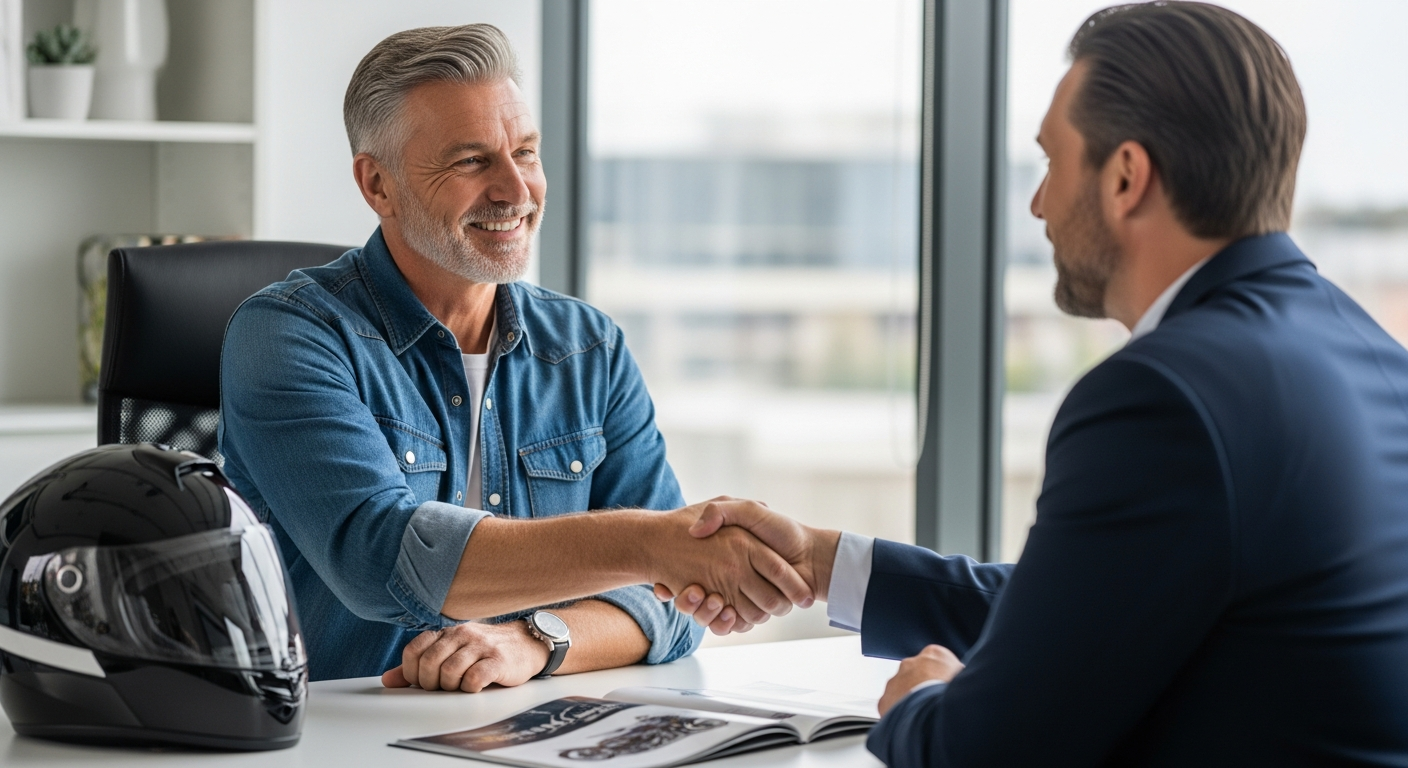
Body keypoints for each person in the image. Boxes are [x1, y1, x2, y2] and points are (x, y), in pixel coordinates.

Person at [662, 3, 1408, 765]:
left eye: (1052, 162)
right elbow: (1096, 608)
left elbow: (986, 750)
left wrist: (919, 699)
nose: (1039, 204)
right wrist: (827, 563)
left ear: (1125, 178)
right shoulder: (1375, 359)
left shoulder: (1164, 396)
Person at [218, 25, 810, 690]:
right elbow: (379, 559)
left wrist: (538, 641)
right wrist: (649, 543)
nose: (515, 190)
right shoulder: (288, 335)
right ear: (378, 185)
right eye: (472, 162)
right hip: (335, 737)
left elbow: (672, 609)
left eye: (524, 152)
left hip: (524, 733)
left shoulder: (588, 348)